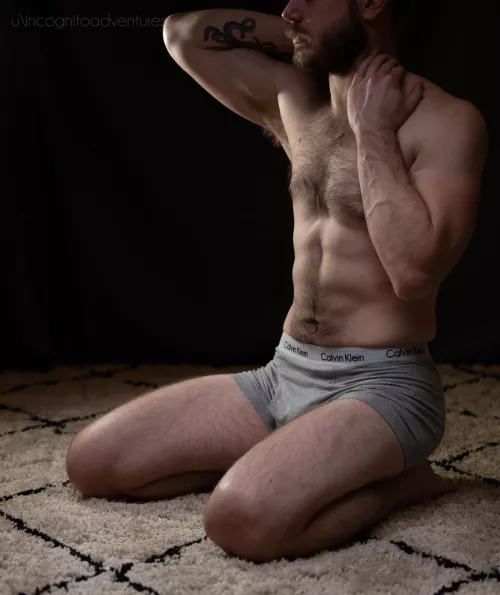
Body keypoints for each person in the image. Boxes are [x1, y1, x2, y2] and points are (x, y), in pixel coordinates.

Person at [65, 0, 488, 563]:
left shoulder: (446, 121)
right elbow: (183, 34)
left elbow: (412, 273)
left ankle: (400, 484)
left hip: (381, 388)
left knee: (238, 522)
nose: (290, 8)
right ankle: (292, 461)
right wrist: (307, 33)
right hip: (283, 373)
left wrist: (374, 132)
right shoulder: (296, 101)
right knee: (92, 463)